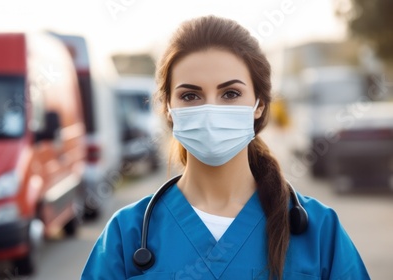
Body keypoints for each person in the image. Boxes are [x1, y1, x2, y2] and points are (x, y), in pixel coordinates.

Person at [81, 15, 370, 279]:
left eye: (230, 93)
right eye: (190, 96)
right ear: (168, 108)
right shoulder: (126, 236)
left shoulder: (319, 232)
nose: (210, 110)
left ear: (259, 104)